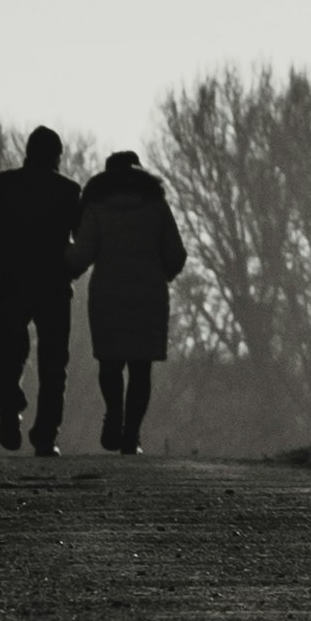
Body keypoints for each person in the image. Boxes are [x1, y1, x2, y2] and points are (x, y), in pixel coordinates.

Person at [67, 145, 187, 456]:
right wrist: (162, 273)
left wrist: (62, 266)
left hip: (108, 294)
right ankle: (131, 434)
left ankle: (114, 415)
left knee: (110, 363)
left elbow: (81, 254)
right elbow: (176, 254)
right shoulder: (157, 206)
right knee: (140, 367)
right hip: (149, 295)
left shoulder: (95, 208)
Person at [0, 126, 80, 455]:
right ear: (57, 156)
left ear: (28, 152)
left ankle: (9, 410)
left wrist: (1, 264)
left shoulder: (3, 185)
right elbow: (85, 243)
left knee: (10, 354)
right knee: (53, 363)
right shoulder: (69, 191)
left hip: (14, 283)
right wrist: (70, 271)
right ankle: (45, 434)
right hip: (54, 288)